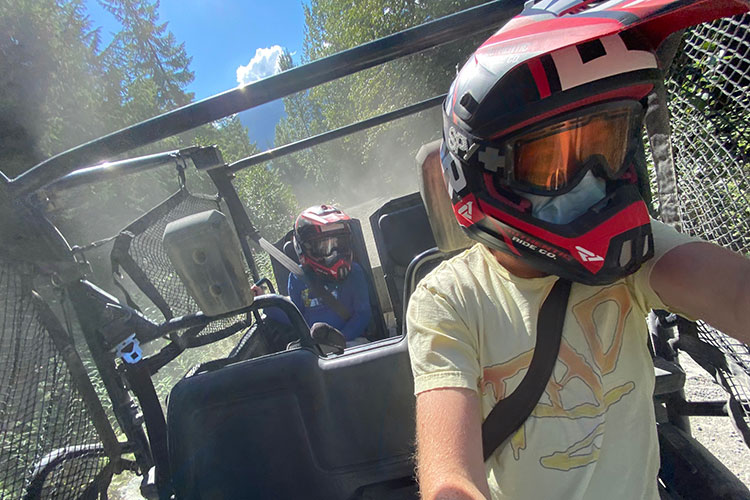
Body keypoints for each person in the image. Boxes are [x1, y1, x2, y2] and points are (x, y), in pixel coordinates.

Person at [405, 2, 750, 499]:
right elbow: (450, 479)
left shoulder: (629, 255)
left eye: (607, 144)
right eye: (553, 163)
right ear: (483, 170)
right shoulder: (449, 301)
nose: (592, 180)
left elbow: (737, 292)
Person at [255, 205, 372, 347]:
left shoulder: (355, 273)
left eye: (340, 245)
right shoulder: (297, 277)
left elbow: (363, 314)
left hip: (350, 342)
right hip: (315, 347)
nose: (335, 253)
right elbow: (295, 316)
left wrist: (340, 340)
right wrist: (265, 302)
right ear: (303, 248)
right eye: (325, 247)